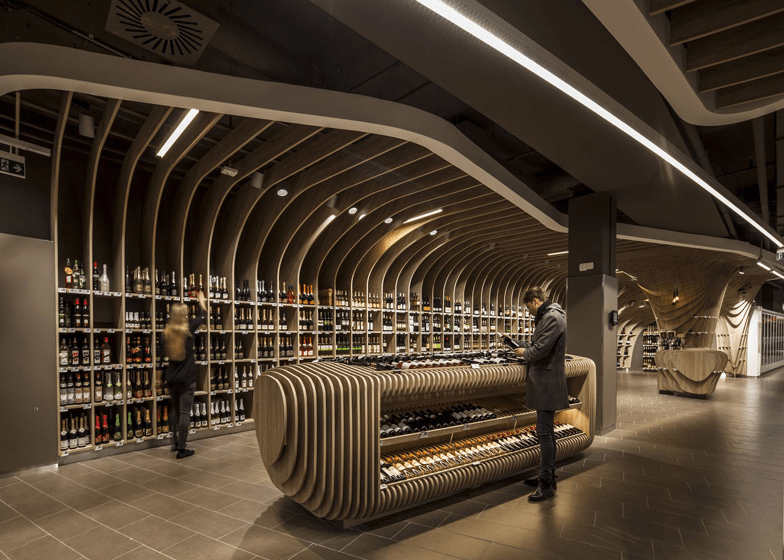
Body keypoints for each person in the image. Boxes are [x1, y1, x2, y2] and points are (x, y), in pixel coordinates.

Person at [504, 286, 569, 501]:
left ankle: (546, 484)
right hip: (546, 380)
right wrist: (520, 345)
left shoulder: (551, 317)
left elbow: (540, 351)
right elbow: (539, 345)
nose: (528, 312)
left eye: (528, 308)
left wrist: (525, 353)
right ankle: (546, 475)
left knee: (544, 432)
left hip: (546, 381)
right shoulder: (550, 316)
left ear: (534, 301)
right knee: (546, 431)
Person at [163, 290, 207, 459]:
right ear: (184, 315)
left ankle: (174, 442)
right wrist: (201, 301)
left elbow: (161, 357)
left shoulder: (166, 333)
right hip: (187, 377)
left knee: (175, 409)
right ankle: (182, 449)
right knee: (184, 413)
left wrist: (159, 379)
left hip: (172, 377)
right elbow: (202, 316)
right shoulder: (189, 330)